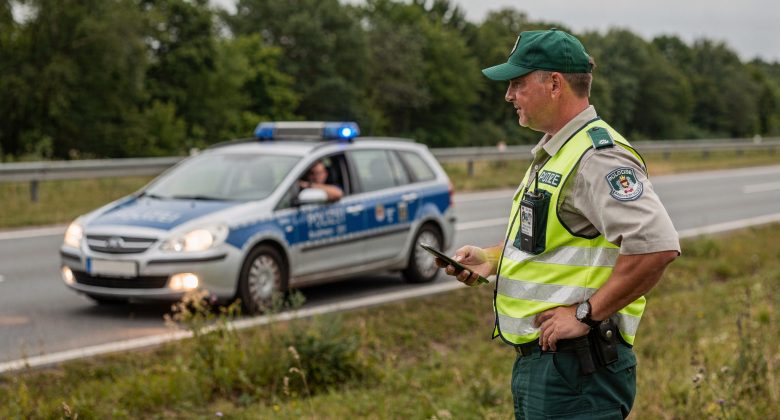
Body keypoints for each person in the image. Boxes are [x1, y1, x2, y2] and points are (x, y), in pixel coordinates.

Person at [436, 29, 680, 419]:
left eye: (517, 82)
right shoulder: (558, 150)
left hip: (576, 371)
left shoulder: (597, 156)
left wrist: (586, 313)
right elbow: (553, 243)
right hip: (548, 366)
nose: (508, 95)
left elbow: (657, 246)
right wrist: (491, 260)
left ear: (554, 83)